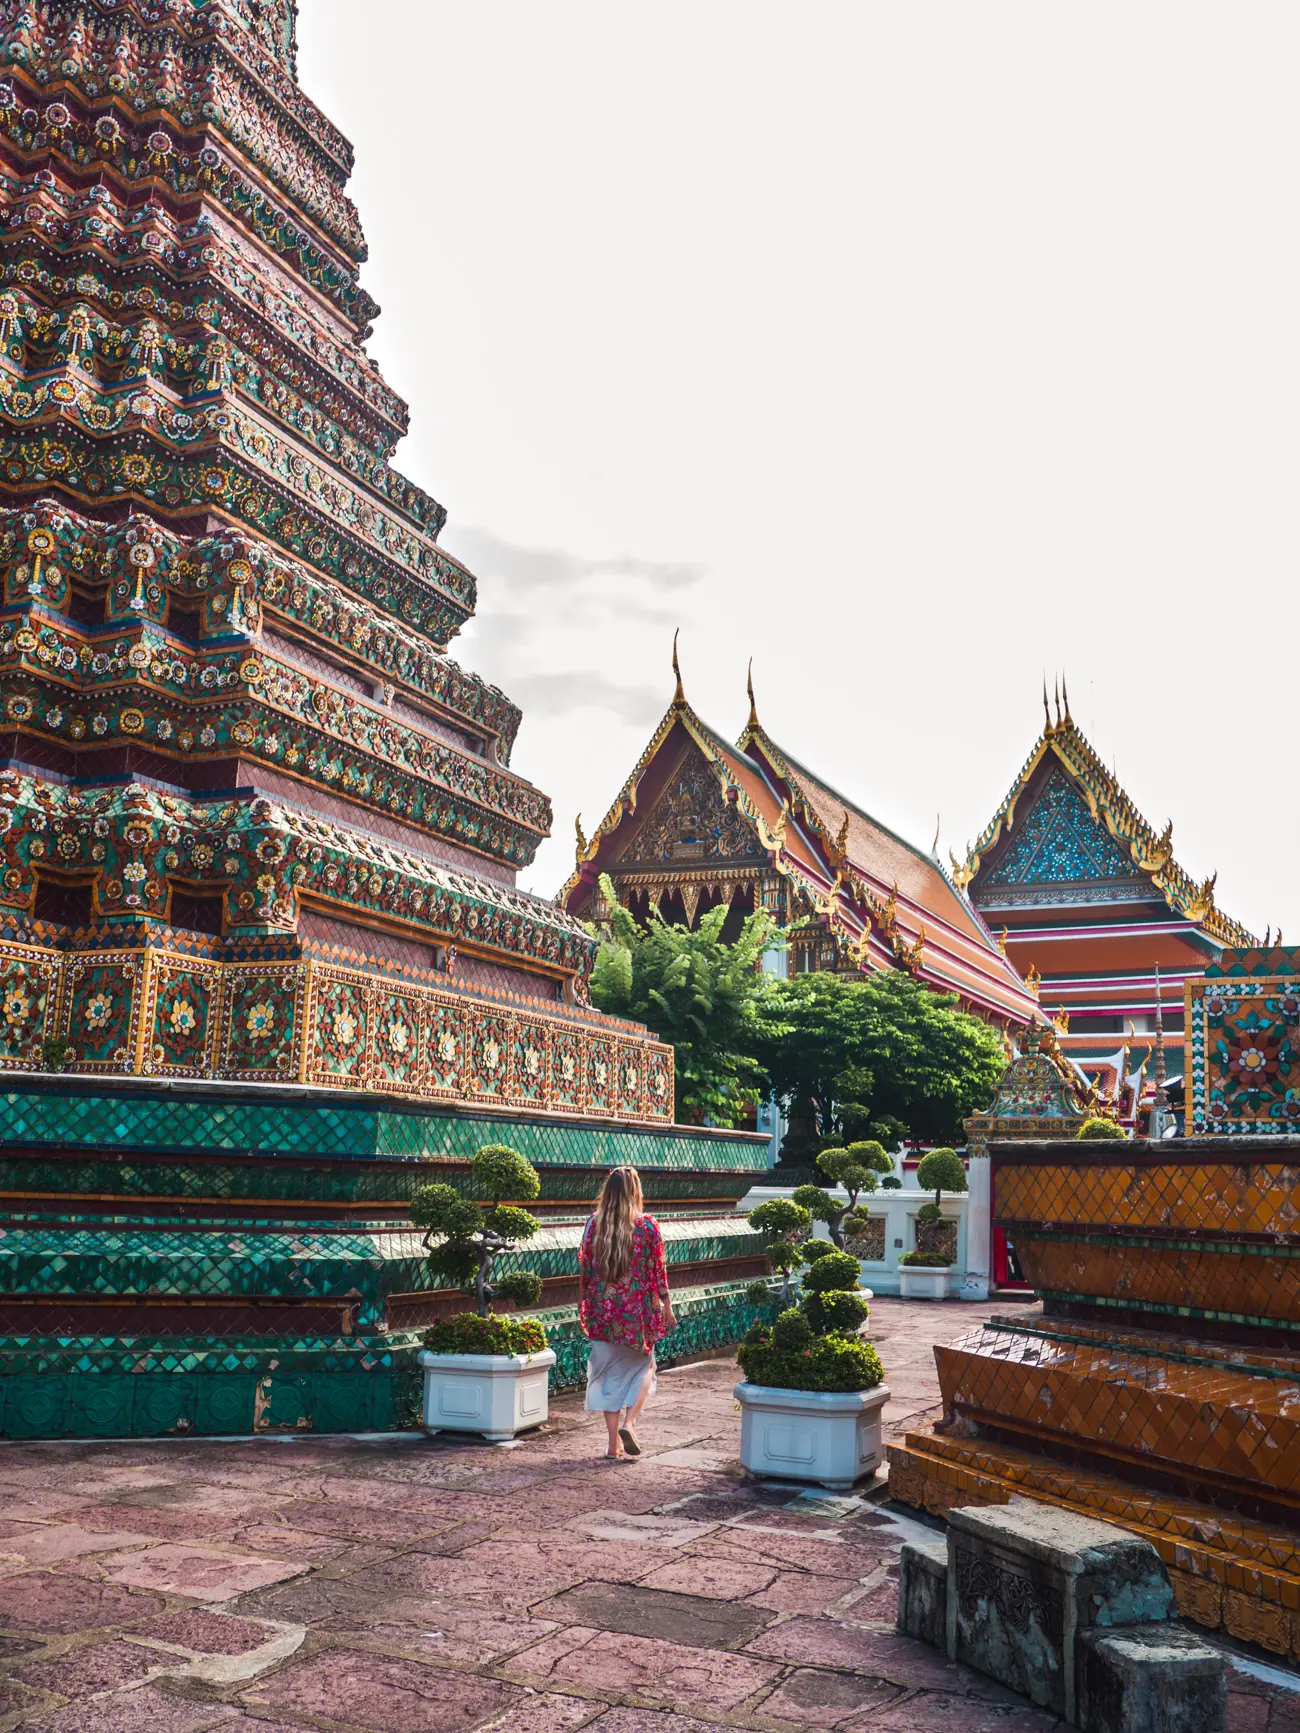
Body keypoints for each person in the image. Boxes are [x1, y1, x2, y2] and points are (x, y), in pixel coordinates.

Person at [577, 1165, 675, 1461]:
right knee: (645, 1367)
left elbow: (584, 1268)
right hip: (638, 1312)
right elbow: (658, 1270)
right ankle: (630, 1424)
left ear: (608, 1192)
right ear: (635, 1191)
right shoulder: (647, 1225)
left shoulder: (593, 1225)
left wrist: (583, 1303)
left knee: (609, 1376)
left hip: (603, 1311)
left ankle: (611, 1445)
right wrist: (667, 1304)